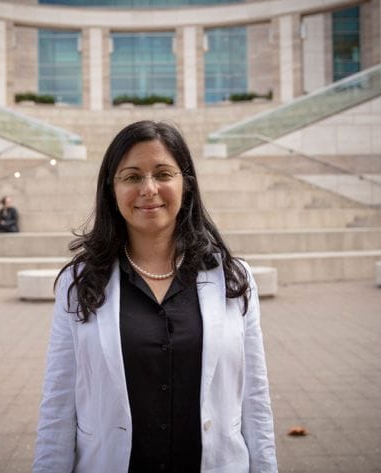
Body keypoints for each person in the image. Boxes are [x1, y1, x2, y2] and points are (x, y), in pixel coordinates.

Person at [33, 121, 277, 473]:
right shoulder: (80, 283)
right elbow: (58, 405)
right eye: (132, 177)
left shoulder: (234, 278)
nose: (149, 189)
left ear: (186, 184)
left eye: (163, 173)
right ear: (111, 190)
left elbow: (255, 400)